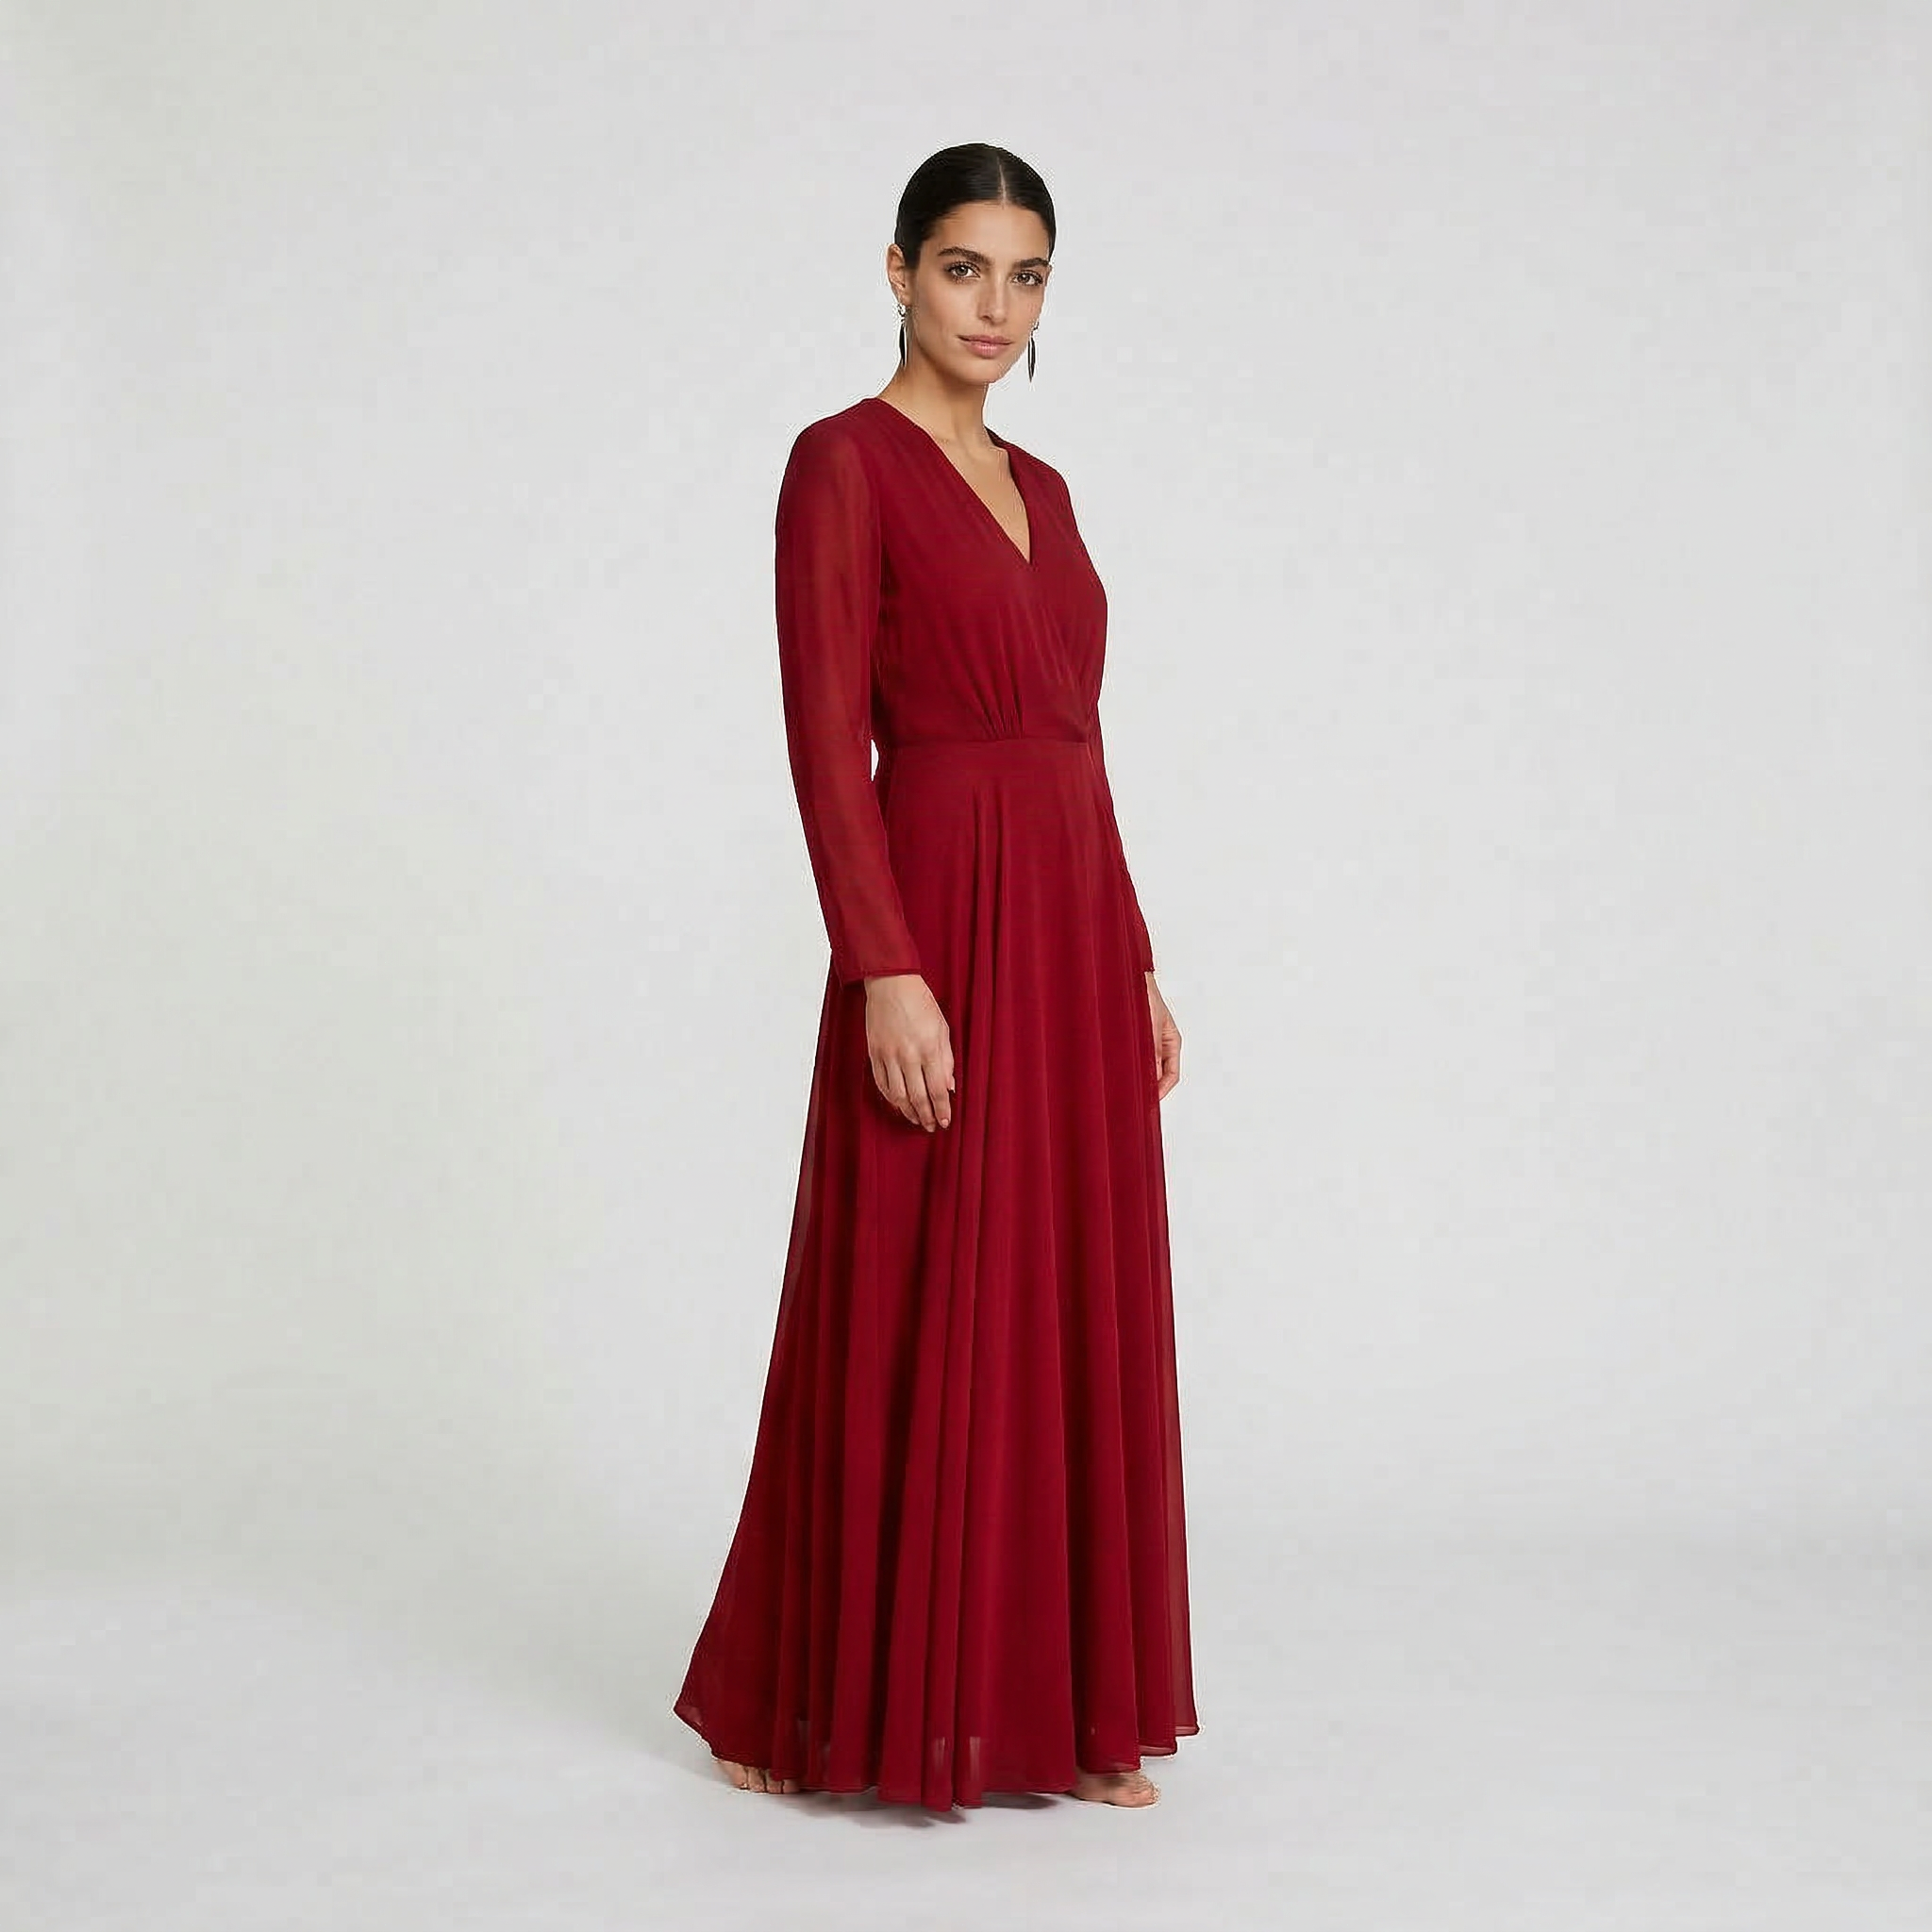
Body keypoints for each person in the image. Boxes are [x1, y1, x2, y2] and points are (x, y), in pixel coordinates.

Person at [672, 142, 1196, 1813]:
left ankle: (1061, 1713)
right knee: (901, 1280)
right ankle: (812, 1701)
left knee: (1062, 1293)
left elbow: (1081, 743)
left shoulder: (1051, 491)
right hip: (938, 915)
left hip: (1067, 927)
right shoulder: (842, 465)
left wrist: (1134, 955)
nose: (995, 305)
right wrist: (883, 967)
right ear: (898, 270)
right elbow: (825, 735)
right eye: (964, 267)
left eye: (1026, 276)